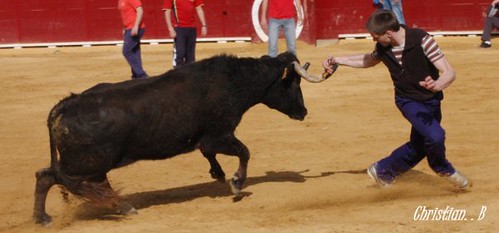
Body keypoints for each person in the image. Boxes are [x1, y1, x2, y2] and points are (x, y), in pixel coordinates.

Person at [322, 10, 471, 190]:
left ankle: (383, 170)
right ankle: (443, 169)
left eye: (376, 37)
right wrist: (338, 60)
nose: (374, 40)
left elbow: (449, 72)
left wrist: (438, 84)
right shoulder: (384, 47)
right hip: (407, 100)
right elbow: (368, 60)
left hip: (431, 100)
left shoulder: (422, 40)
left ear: (389, 33)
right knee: (435, 135)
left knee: (422, 144)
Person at [163, 0, 207, 68]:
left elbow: (199, 9)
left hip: (192, 28)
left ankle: (190, 76)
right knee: (180, 53)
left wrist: (204, 25)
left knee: (190, 55)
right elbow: (167, 11)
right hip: (179, 28)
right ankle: (177, 74)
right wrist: (170, 28)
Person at [118, 0, 148, 79]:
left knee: (126, 51)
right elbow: (125, 14)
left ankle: (141, 75)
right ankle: (136, 76)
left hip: (135, 27)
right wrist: (125, 27)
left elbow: (140, 10)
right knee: (134, 51)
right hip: (129, 27)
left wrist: (136, 26)